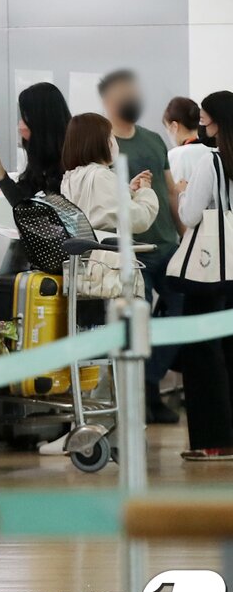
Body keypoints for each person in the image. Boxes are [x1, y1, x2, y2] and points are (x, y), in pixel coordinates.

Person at [100, 69, 183, 424]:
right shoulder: (104, 144)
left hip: (168, 245)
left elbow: (171, 192)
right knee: (139, 322)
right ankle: (143, 396)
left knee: (183, 311)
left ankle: (151, 382)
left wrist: (185, 236)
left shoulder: (153, 140)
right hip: (131, 251)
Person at [172, 91, 233, 460]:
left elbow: (191, 215)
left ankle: (214, 440)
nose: (204, 126)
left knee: (203, 354)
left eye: (207, 120)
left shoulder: (211, 162)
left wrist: (180, 194)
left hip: (211, 271)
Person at [60, 113, 159, 234]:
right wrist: (145, 192)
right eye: (110, 136)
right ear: (100, 142)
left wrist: (128, 191)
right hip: (107, 250)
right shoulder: (101, 176)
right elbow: (138, 219)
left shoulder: (70, 178)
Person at [0, 82, 71, 205]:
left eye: (25, 117)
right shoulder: (40, 158)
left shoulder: (71, 161)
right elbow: (20, 201)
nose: (20, 125)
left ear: (41, 119)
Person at [165, 96, 212, 184]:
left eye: (167, 128)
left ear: (174, 126)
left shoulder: (174, 156)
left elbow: (172, 193)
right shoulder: (213, 151)